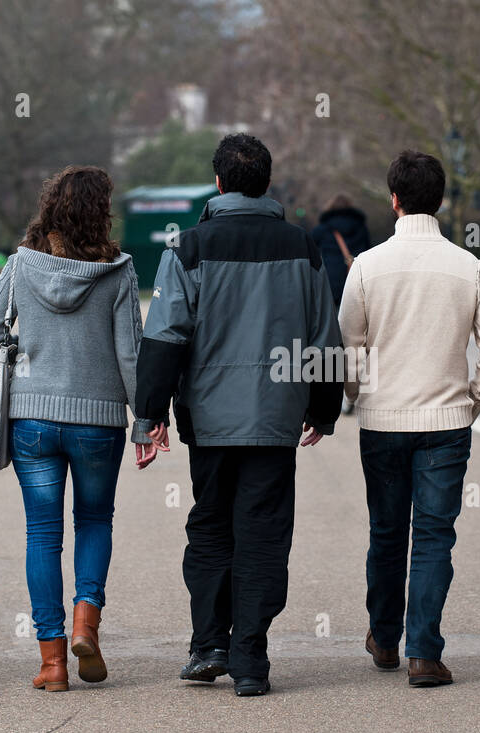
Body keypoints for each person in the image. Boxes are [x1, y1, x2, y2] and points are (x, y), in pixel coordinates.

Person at [135, 133, 342, 697]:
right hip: (276, 417)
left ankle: (209, 644)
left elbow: (165, 336)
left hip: (209, 416)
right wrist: (322, 411)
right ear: (266, 183)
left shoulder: (189, 248)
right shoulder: (303, 247)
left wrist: (148, 414)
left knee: (211, 525)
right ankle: (251, 658)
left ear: (219, 182)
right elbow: (324, 336)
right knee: (264, 533)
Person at [0, 166, 157, 693]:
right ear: (101, 214)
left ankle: (52, 663)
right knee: (96, 522)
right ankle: (86, 623)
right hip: (98, 422)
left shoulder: (19, 264)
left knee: (41, 536)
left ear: (49, 207)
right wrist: (145, 423)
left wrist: (24, 349)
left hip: (32, 418)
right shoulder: (119, 272)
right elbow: (131, 355)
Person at [338, 150, 480, 687]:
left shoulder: (365, 266)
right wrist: (472, 400)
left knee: (386, 533)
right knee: (435, 536)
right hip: (445, 422)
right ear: (440, 201)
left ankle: (384, 637)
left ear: (393, 200)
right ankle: (424, 652)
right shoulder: (469, 267)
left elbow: (348, 346)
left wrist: (359, 393)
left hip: (383, 420)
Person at [311, 194, 372, 414]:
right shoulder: (361, 228)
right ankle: (352, 394)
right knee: (356, 343)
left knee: (330, 344)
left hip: (330, 291)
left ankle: (331, 393)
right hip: (356, 289)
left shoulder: (322, 230)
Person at [310, 193, 371, 307]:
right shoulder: (361, 228)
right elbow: (369, 252)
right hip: (357, 282)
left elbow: (311, 255)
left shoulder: (321, 230)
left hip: (331, 284)